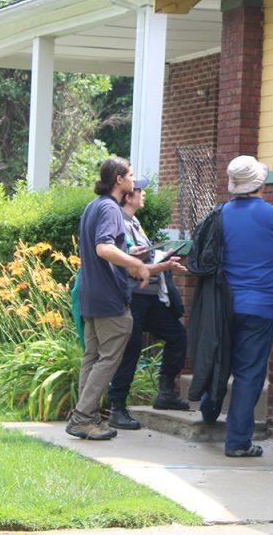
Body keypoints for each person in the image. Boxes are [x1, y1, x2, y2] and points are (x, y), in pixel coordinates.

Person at [199, 155, 273, 458]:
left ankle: (208, 411)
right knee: (248, 373)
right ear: (260, 183)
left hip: (223, 304)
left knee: (220, 358)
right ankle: (237, 442)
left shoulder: (218, 215)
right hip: (260, 307)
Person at [67, 156, 151, 441]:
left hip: (90, 296)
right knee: (108, 360)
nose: (133, 180)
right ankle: (82, 418)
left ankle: (87, 417)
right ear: (119, 180)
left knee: (91, 358)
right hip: (108, 299)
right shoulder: (111, 209)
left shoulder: (93, 207)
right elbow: (103, 248)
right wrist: (135, 264)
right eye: (131, 175)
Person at [106, 178, 190, 431]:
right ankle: (117, 407)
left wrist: (160, 257)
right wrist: (159, 263)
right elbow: (129, 264)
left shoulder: (135, 222)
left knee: (177, 336)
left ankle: (165, 393)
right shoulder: (119, 221)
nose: (143, 194)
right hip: (133, 296)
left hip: (150, 296)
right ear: (128, 197)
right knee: (130, 349)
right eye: (139, 190)